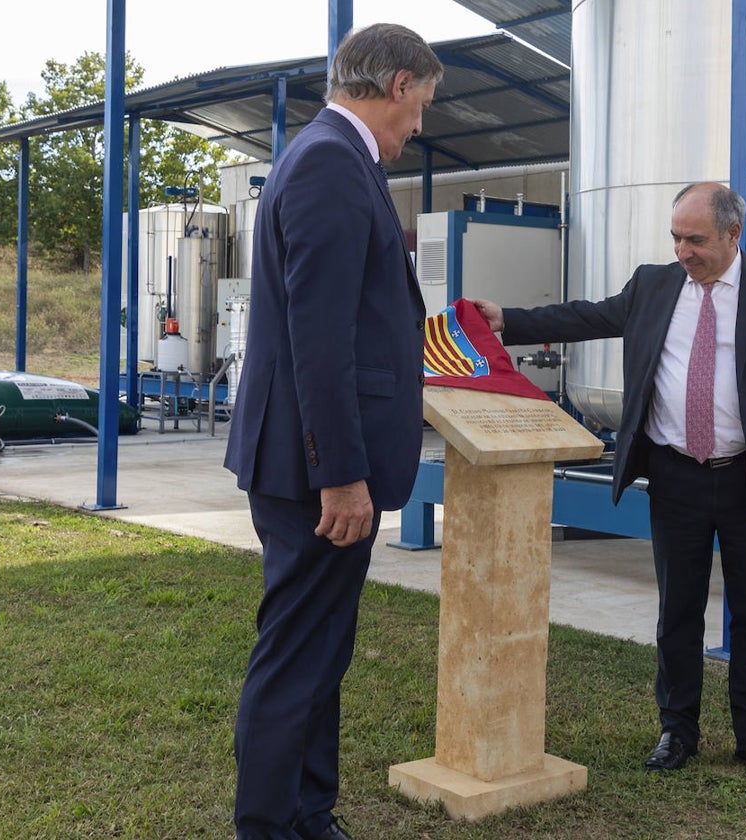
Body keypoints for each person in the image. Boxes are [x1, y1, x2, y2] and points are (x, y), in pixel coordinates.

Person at [472, 182, 746, 784]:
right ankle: (677, 730)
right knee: (678, 609)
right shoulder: (655, 284)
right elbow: (588, 316)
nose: (682, 251)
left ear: (733, 236)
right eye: (676, 238)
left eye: (696, 239)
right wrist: (509, 320)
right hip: (674, 476)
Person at [223, 23, 442, 840]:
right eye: (419, 105)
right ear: (396, 86)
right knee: (294, 661)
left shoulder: (331, 157)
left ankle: (308, 812)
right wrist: (340, 474)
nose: (418, 124)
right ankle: (270, 826)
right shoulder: (328, 164)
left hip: (308, 461)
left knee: (321, 653)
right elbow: (319, 342)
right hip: (314, 473)